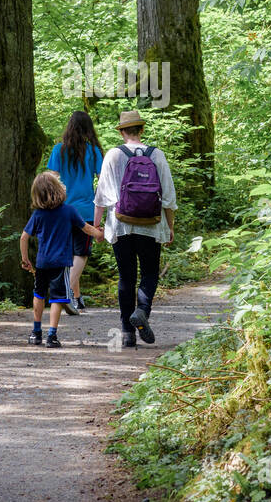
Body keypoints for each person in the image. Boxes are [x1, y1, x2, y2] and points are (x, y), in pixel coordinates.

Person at [93, 111, 176, 348]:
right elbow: (168, 197)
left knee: (126, 277)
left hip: (121, 226)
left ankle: (127, 333)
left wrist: (97, 226)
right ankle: (142, 310)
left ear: (121, 131)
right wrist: (170, 227)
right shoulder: (157, 155)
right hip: (151, 225)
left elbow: (102, 196)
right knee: (150, 273)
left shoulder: (113, 155)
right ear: (141, 130)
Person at [20, 171, 103, 347]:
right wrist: (99, 234)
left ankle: (36, 333)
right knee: (57, 298)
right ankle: (52, 336)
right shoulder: (69, 210)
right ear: (59, 189)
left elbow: (24, 237)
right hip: (61, 263)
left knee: (39, 294)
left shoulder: (38, 215)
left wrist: (25, 258)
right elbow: (86, 228)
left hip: (42, 262)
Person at [46, 111, 105, 314]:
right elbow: (103, 180)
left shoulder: (58, 150)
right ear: (89, 129)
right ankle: (66, 293)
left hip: (61, 210)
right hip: (85, 210)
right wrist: (100, 204)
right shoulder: (94, 151)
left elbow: (51, 180)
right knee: (81, 253)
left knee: (70, 255)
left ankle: (77, 300)